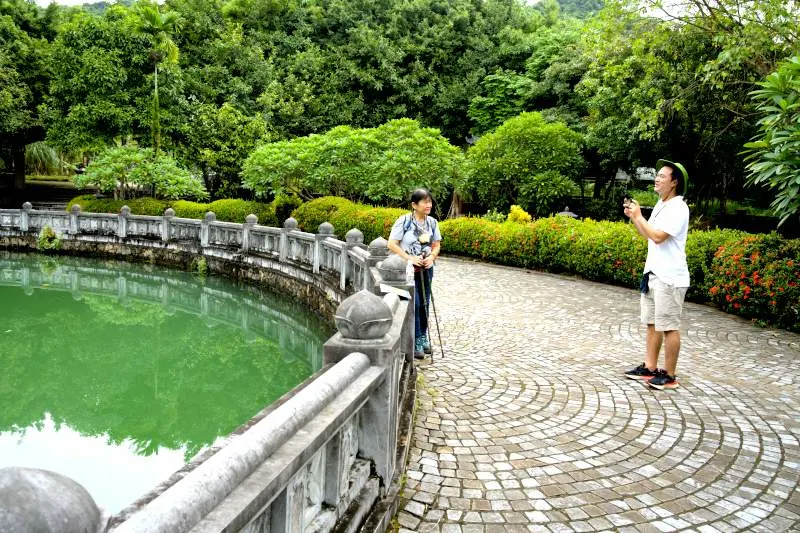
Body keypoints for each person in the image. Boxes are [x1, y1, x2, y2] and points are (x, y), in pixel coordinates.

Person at [623, 159, 690, 389]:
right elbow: (649, 235)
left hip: (670, 277)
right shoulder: (663, 205)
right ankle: (650, 367)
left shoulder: (679, 207)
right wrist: (635, 217)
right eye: (657, 174)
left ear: (674, 183)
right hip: (653, 273)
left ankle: (669, 375)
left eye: (662, 176)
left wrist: (640, 216)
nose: (657, 178)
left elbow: (660, 236)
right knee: (652, 323)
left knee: (669, 326)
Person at [388, 188, 442, 359]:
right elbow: (392, 244)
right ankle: (417, 338)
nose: (429, 205)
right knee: (416, 302)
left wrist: (432, 257)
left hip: (427, 269)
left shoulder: (432, 222)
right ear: (414, 204)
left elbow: (436, 244)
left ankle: (423, 337)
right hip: (409, 270)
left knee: (425, 302)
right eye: (425, 202)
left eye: (430, 202)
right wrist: (409, 258)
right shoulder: (404, 221)